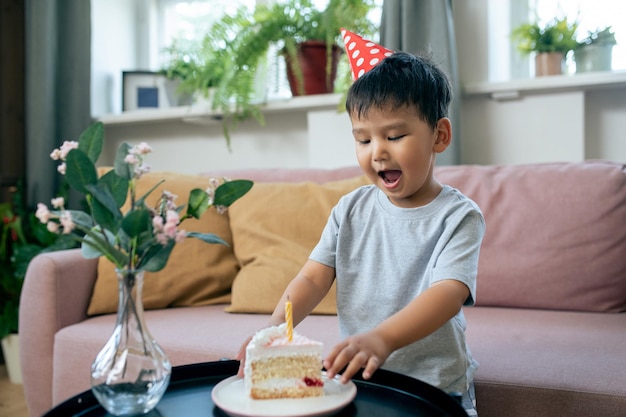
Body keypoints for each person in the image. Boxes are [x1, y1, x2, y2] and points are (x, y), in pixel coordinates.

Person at [237, 30, 485, 416]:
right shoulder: (349, 210)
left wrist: (381, 339)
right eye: (363, 140)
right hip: (362, 378)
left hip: (435, 387)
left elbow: (446, 296)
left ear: (439, 135)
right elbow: (312, 278)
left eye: (395, 135)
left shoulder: (458, 216)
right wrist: (270, 332)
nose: (378, 152)